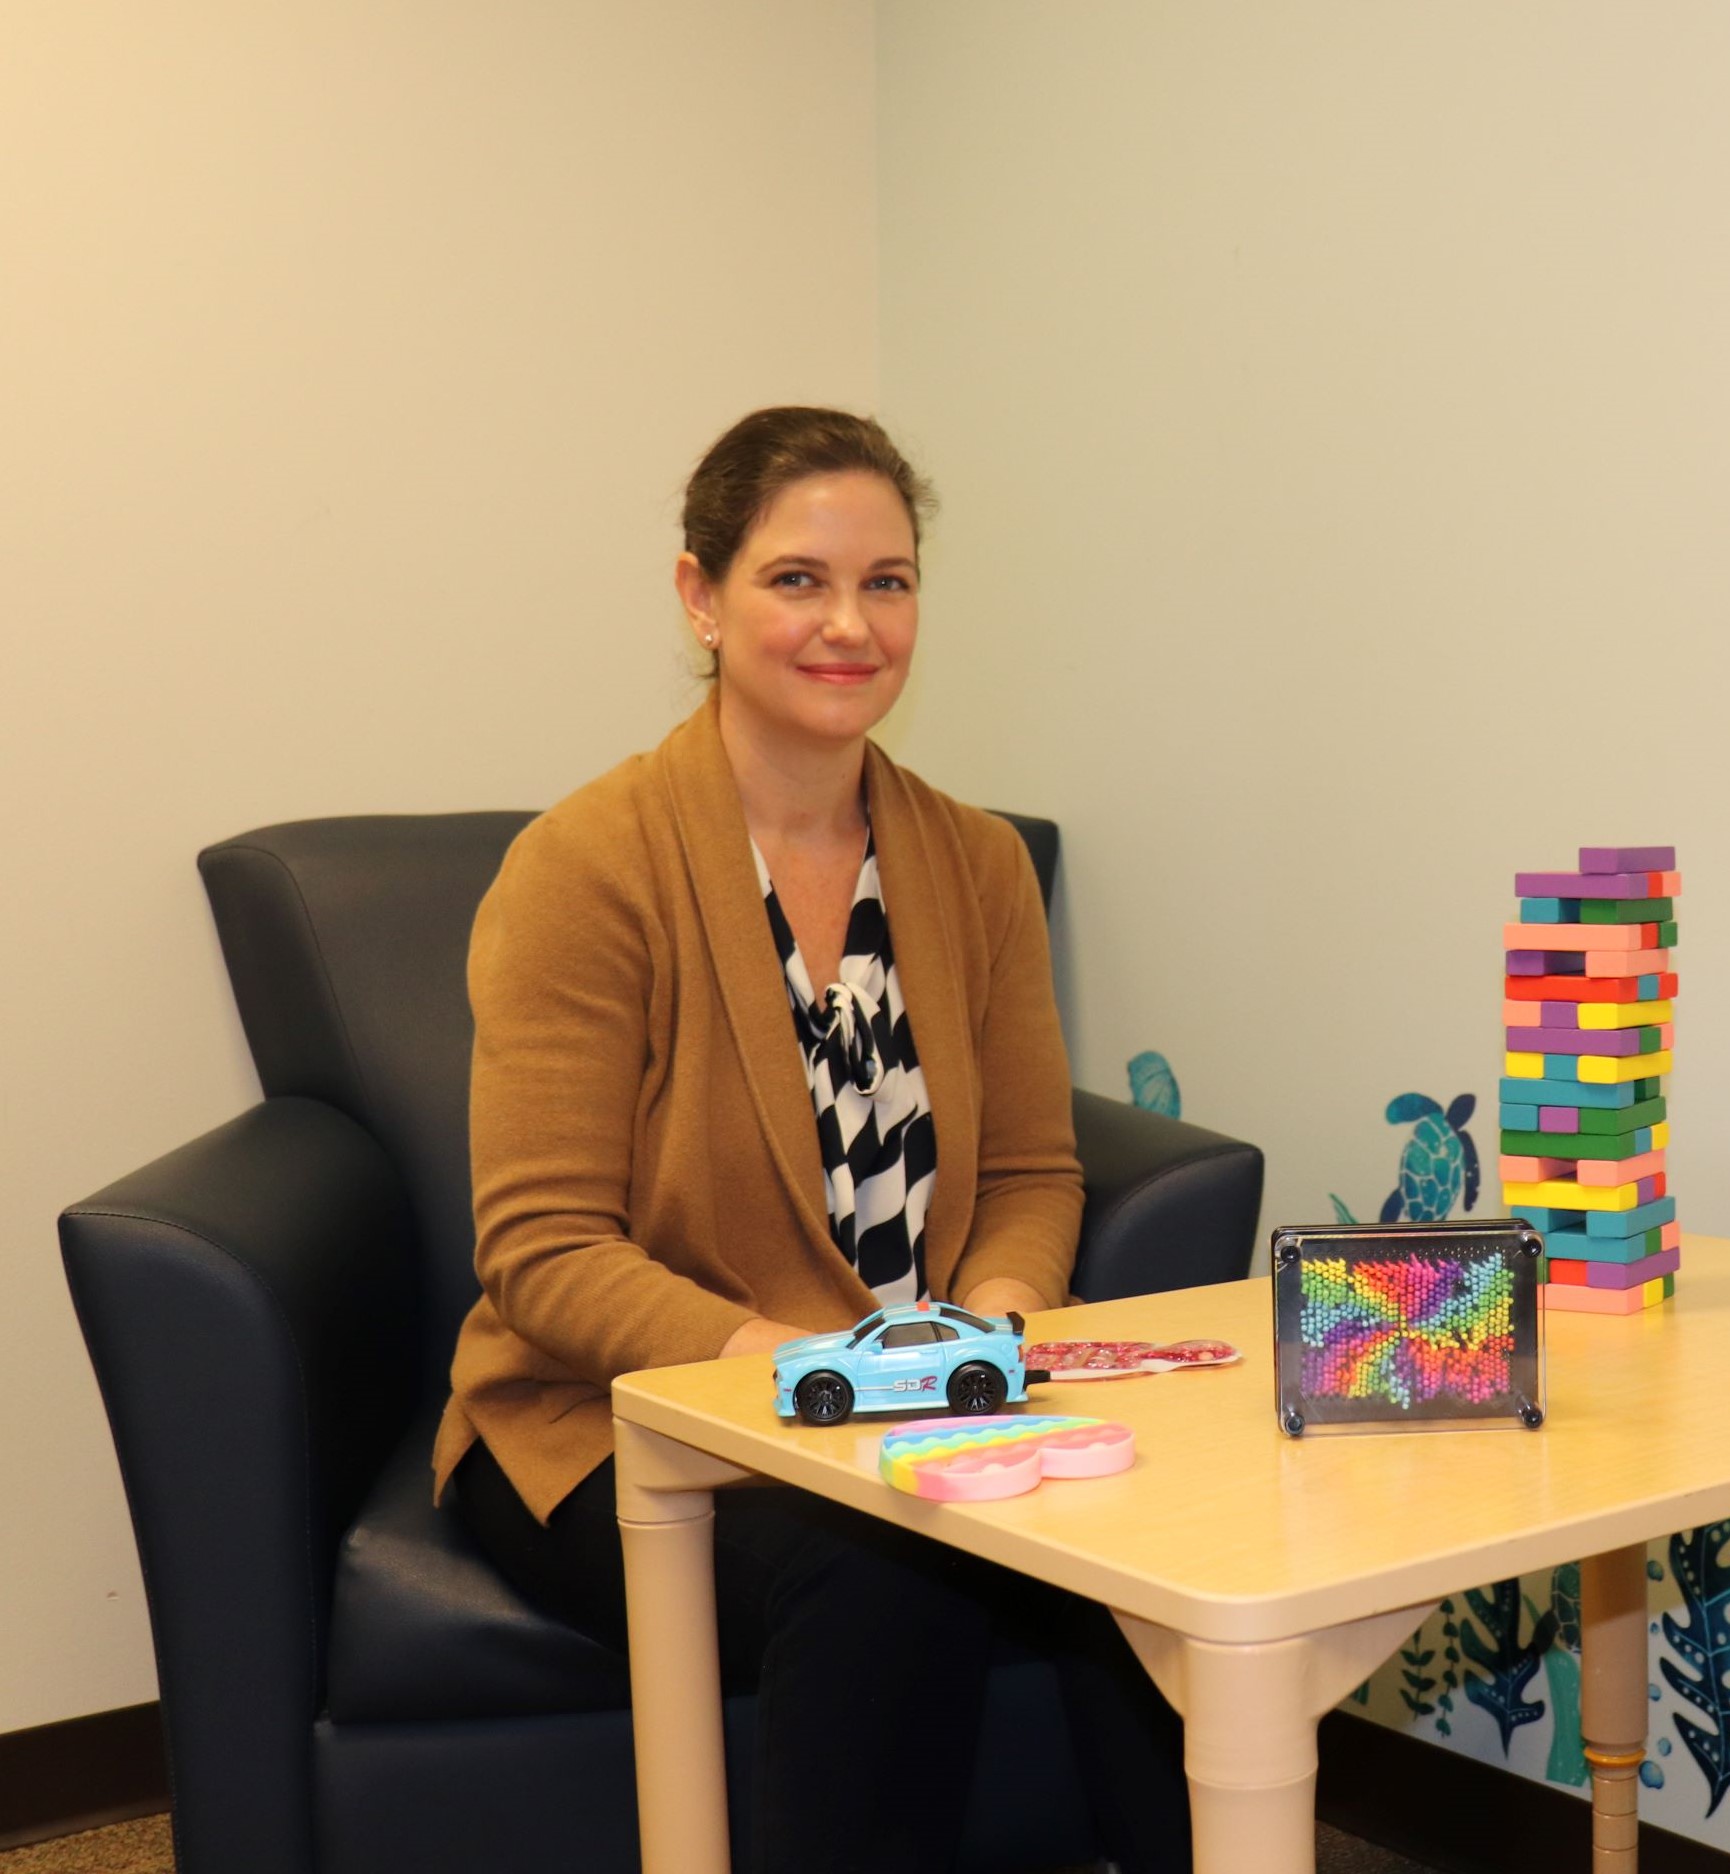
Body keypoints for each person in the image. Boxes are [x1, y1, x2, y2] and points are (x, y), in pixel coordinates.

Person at [433, 406, 1190, 1872]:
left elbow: (1031, 1172)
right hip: (618, 1419)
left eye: (886, 582)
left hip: (927, 1405)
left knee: (1145, 1532)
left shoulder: (976, 863)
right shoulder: (585, 865)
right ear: (701, 597)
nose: (851, 624)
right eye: (798, 580)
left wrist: (992, 1328)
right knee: (884, 1560)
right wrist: (800, 1372)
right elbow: (543, 1249)